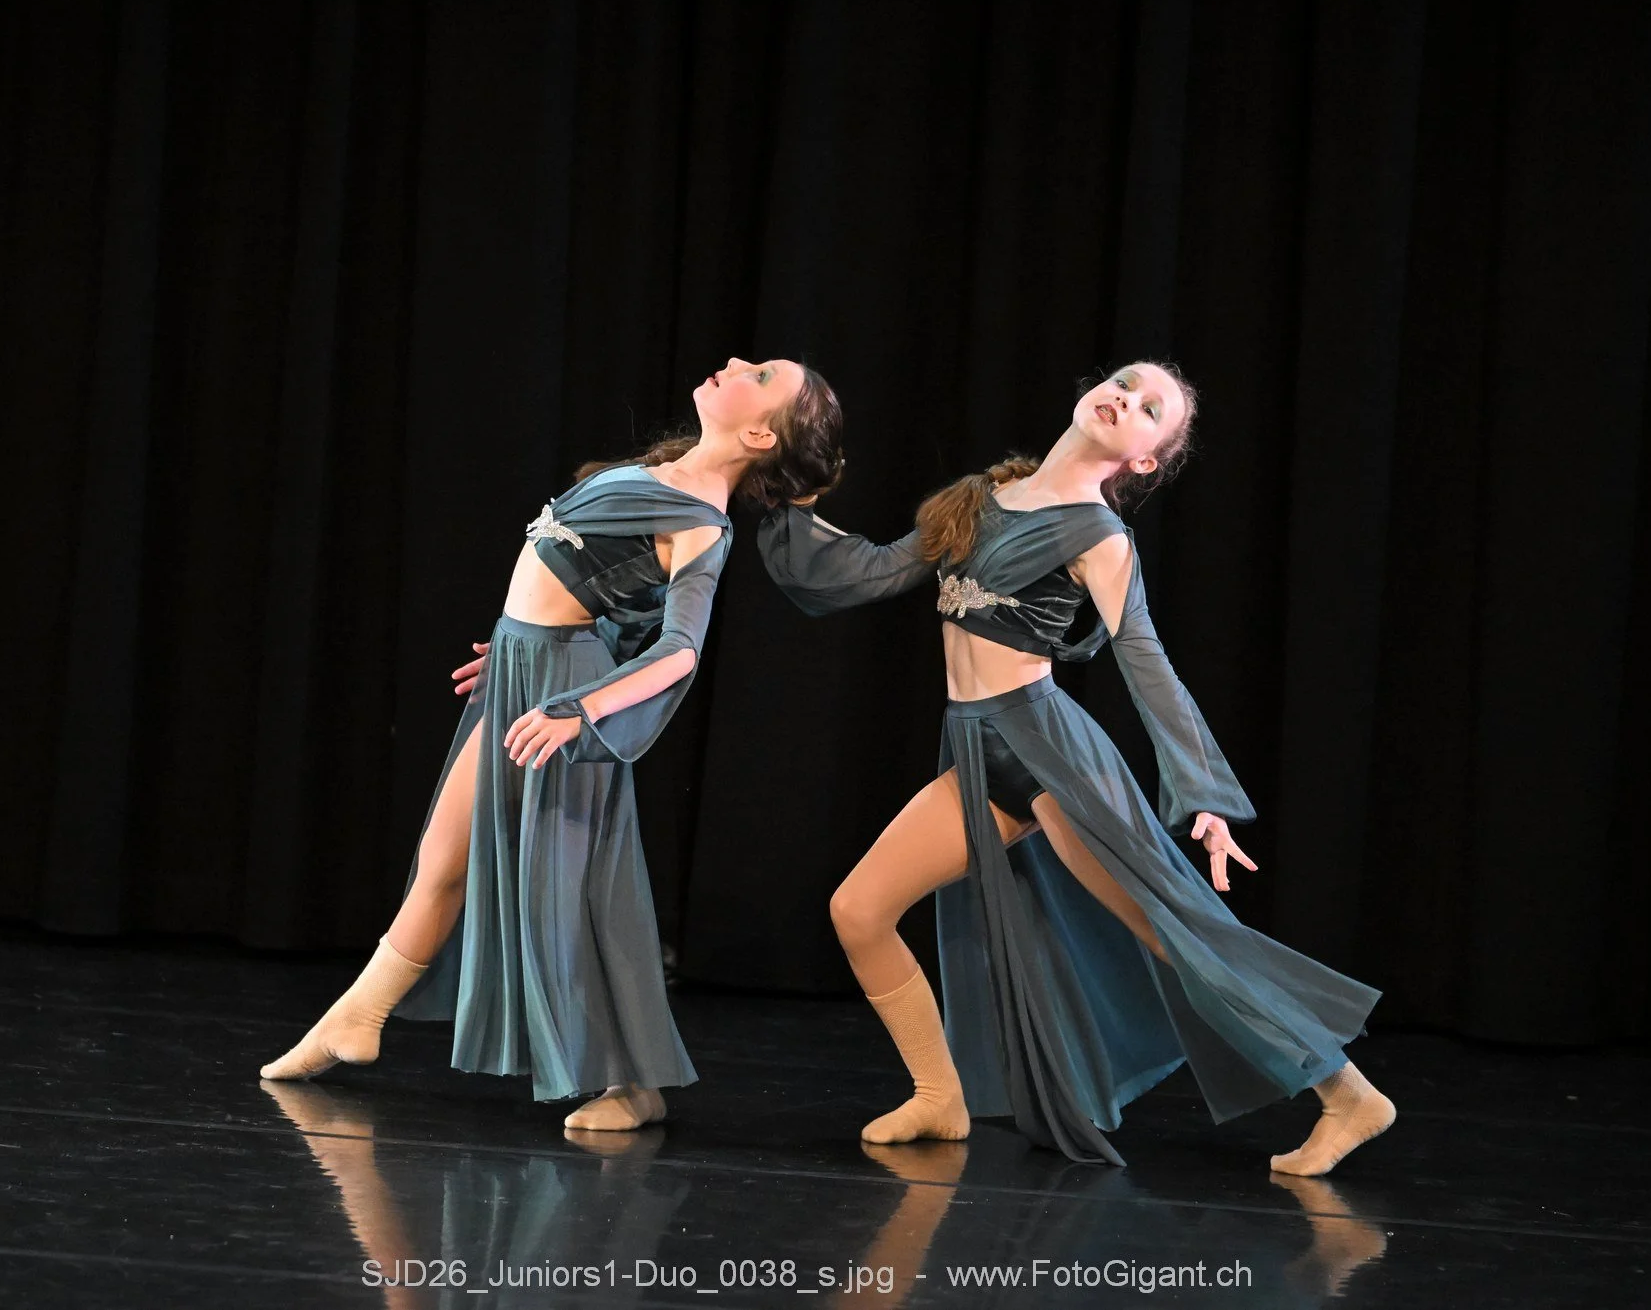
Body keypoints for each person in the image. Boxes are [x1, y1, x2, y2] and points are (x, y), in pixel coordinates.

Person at [758, 362, 1393, 1174]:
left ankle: (1347, 1092)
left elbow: (1148, 662)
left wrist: (1203, 793)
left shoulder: (1099, 535)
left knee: (1169, 930)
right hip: (980, 751)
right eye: (1125, 382)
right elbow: (873, 570)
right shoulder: (979, 498)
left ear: (1145, 459)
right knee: (859, 910)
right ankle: (939, 1094)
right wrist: (788, 498)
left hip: (1052, 756)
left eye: (1150, 408)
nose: (1126, 397)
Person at [262, 358, 844, 1137]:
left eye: (762, 375)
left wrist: (581, 709)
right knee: (443, 860)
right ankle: (355, 1019)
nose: (737, 364)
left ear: (761, 434)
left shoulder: (702, 521)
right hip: (525, 667)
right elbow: (606, 592)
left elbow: (679, 650)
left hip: (560, 694)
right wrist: (514, 648)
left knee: (573, 894)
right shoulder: (663, 471)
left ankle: (637, 1084)